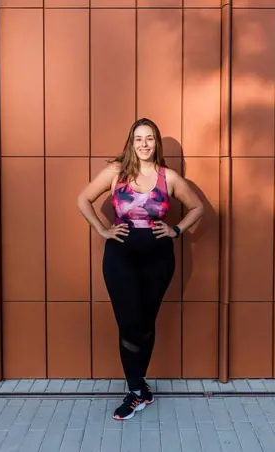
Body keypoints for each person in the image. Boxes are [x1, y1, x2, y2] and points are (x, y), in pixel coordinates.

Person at [77, 118, 204, 420]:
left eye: (149, 139)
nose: (144, 144)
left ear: (156, 143)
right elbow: (83, 199)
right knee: (129, 322)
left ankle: (141, 388)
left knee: (145, 323)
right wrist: (102, 229)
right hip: (120, 258)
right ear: (131, 143)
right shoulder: (115, 172)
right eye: (138, 139)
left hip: (159, 260)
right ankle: (135, 391)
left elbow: (197, 207)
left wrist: (176, 229)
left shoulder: (168, 177)